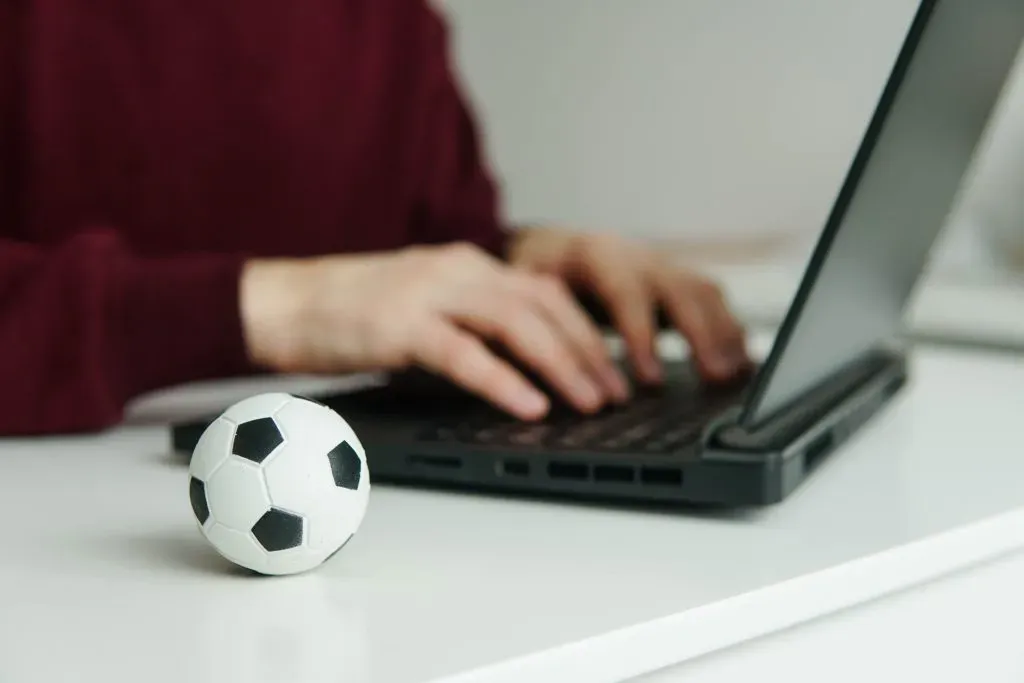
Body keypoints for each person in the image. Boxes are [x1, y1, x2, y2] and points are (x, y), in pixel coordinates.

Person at [0, 0, 750, 437]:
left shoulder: (395, 25)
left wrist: (522, 264)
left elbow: (417, 248)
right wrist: (281, 306)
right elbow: (346, 290)